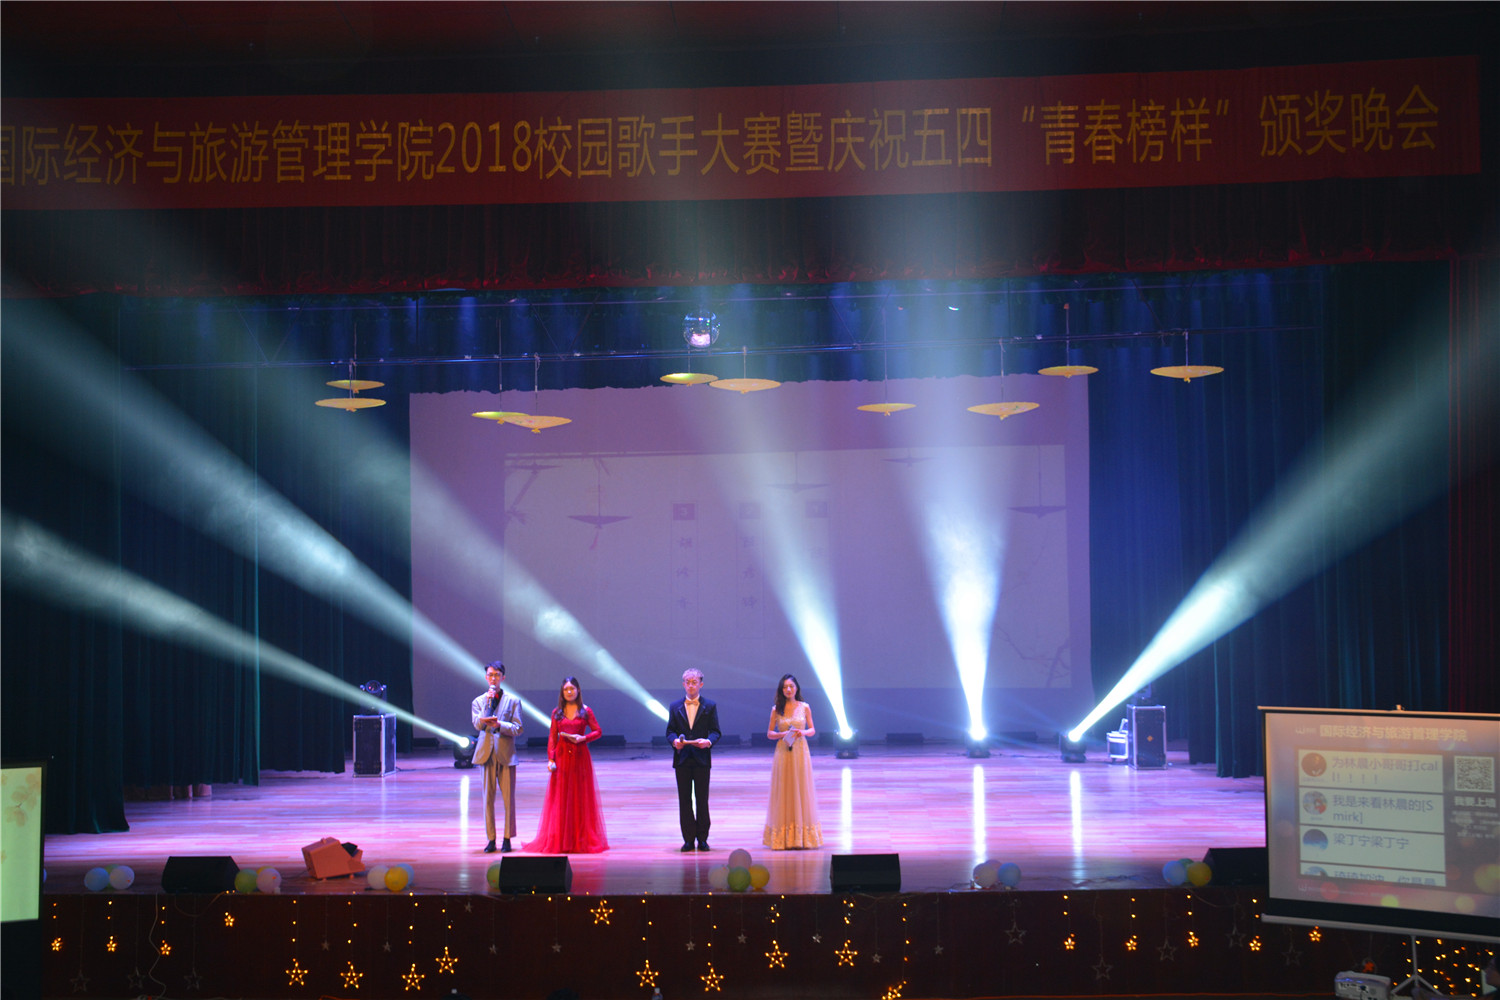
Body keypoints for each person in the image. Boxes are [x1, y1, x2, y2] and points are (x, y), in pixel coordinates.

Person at [523, 676, 609, 854]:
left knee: (579, 796)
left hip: (580, 757)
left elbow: (598, 731)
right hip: (562, 757)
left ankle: (579, 838)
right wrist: (551, 758)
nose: (569, 692)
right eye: (566, 689)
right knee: (561, 798)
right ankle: (562, 838)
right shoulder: (557, 712)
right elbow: (552, 736)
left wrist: (583, 738)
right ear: (562, 692)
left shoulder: (586, 711)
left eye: (572, 689)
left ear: (578, 690)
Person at [762, 672, 823, 850]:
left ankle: (802, 836)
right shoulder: (776, 709)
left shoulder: (805, 707)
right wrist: (783, 734)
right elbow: (769, 733)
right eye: (785, 687)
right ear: (781, 690)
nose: (788, 690)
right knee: (784, 789)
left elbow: (812, 729)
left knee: (801, 788)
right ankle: (783, 837)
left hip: (800, 751)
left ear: (796, 688)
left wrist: (801, 732)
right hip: (783, 752)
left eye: (791, 686)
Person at [470, 661, 524, 854]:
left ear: (503, 677)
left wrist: (500, 725)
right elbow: (477, 725)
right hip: (486, 753)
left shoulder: (513, 700)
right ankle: (491, 839)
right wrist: (487, 708)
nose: (493, 678)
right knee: (488, 799)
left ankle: (507, 838)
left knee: (508, 799)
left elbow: (518, 728)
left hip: (506, 753)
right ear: (486, 677)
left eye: (497, 675)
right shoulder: (479, 701)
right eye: (490, 675)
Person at [665, 668, 721, 852]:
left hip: (701, 759)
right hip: (682, 759)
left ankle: (703, 839)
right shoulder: (675, 706)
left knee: (702, 799)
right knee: (684, 800)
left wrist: (708, 742)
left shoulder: (709, 706)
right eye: (687, 682)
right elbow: (670, 731)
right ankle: (688, 839)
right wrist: (674, 741)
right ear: (683, 684)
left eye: (694, 682)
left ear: (701, 684)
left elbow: (715, 731)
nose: (691, 685)